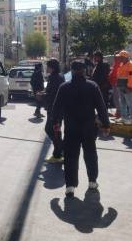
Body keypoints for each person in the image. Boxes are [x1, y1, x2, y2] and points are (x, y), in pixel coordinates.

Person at [51, 60, 110, 198]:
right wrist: (106, 125)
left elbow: (56, 107)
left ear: (71, 71)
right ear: (84, 71)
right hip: (89, 128)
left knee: (70, 156)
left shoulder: (64, 87)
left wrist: (56, 123)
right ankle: (92, 181)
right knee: (90, 154)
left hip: (71, 128)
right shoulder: (92, 86)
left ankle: (70, 186)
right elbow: (101, 107)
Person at [44, 59, 65, 163]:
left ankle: (59, 151)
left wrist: (42, 95)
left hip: (54, 109)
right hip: (57, 109)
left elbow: (52, 94)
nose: (46, 68)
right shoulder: (59, 77)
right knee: (55, 130)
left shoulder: (54, 78)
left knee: (50, 129)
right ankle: (59, 151)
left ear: (52, 67)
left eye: (47, 66)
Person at [116, 50, 132, 125]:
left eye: (121, 57)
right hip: (121, 86)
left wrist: (130, 87)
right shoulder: (122, 64)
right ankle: (124, 118)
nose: (119, 58)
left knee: (130, 103)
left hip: (127, 86)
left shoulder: (130, 64)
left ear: (125, 57)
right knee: (122, 103)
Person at [109, 52, 122, 118]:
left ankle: (119, 112)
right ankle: (118, 112)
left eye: (116, 57)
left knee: (117, 99)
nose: (115, 58)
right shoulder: (116, 65)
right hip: (115, 83)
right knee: (116, 99)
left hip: (117, 84)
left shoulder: (119, 65)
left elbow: (115, 74)